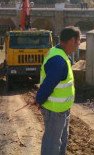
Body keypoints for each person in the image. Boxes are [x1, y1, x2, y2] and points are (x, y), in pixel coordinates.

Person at [33, 26, 81, 155]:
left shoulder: (60, 55)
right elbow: (48, 84)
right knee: (52, 144)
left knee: (61, 140)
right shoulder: (58, 60)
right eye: (78, 40)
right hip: (55, 110)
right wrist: (39, 100)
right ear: (71, 40)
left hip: (62, 109)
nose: (79, 44)